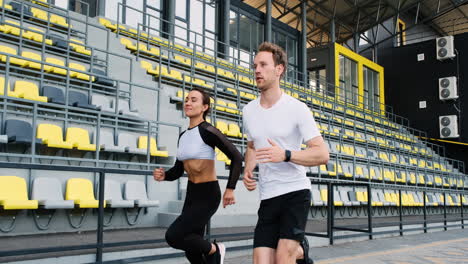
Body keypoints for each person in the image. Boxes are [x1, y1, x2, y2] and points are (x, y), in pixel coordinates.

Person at [242, 42, 329, 264]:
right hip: (268, 195)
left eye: (263, 65)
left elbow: (322, 153)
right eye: (255, 66)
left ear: (279, 69)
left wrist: (287, 155)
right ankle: (299, 250)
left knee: (282, 258)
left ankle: (298, 251)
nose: (257, 70)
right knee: (261, 262)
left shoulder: (297, 108)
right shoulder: (248, 111)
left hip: (295, 192)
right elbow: (252, 145)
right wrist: (248, 168)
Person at [153, 87, 243, 264]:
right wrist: (164, 175)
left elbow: (237, 157)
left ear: (204, 107)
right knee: (191, 250)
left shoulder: (208, 131)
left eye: (194, 100)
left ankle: (216, 250)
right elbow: (178, 170)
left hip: (208, 194)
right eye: (187, 99)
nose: (188, 102)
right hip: (192, 194)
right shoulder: (183, 136)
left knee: (174, 236)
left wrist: (230, 189)